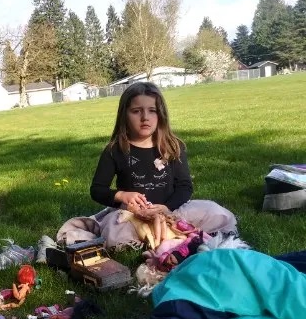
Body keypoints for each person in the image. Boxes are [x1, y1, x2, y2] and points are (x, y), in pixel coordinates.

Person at [74, 82, 237, 248]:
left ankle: (165, 235)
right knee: (114, 235)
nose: (145, 117)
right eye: (136, 111)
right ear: (124, 115)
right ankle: (170, 237)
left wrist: (167, 207)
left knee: (216, 213)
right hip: (131, 216)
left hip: (172, 211)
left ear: (161, 115)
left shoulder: (172, 146)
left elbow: (184, 186)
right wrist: (122, 195)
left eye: (152, 111)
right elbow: (97, 190)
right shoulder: (115, 150)